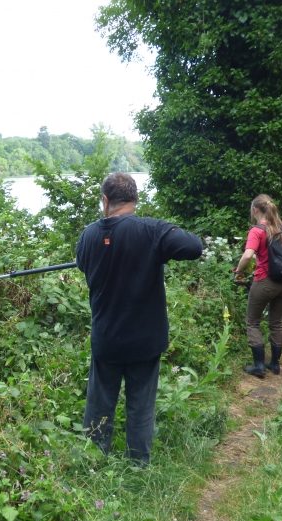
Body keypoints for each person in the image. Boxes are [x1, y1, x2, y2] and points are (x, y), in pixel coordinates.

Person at [76, 172, 203, 465]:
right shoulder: (152, 231)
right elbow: (194, 246)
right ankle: (138, 466)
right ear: (135, 200)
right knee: (140, 408)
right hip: (146, 340)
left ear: (105, 201)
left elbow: (84, 263)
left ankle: (95, 462)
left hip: (106, 338)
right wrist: (159, 238)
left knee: (99, 406)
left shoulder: (88, 235)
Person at [234, 194, 282, 378]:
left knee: (253, 322)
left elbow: (248, 256)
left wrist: (238, 271)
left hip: (265, 282)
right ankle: (274, 364)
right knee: (276, 322)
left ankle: (259, 366)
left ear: (255, 210)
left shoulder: (257, 231)